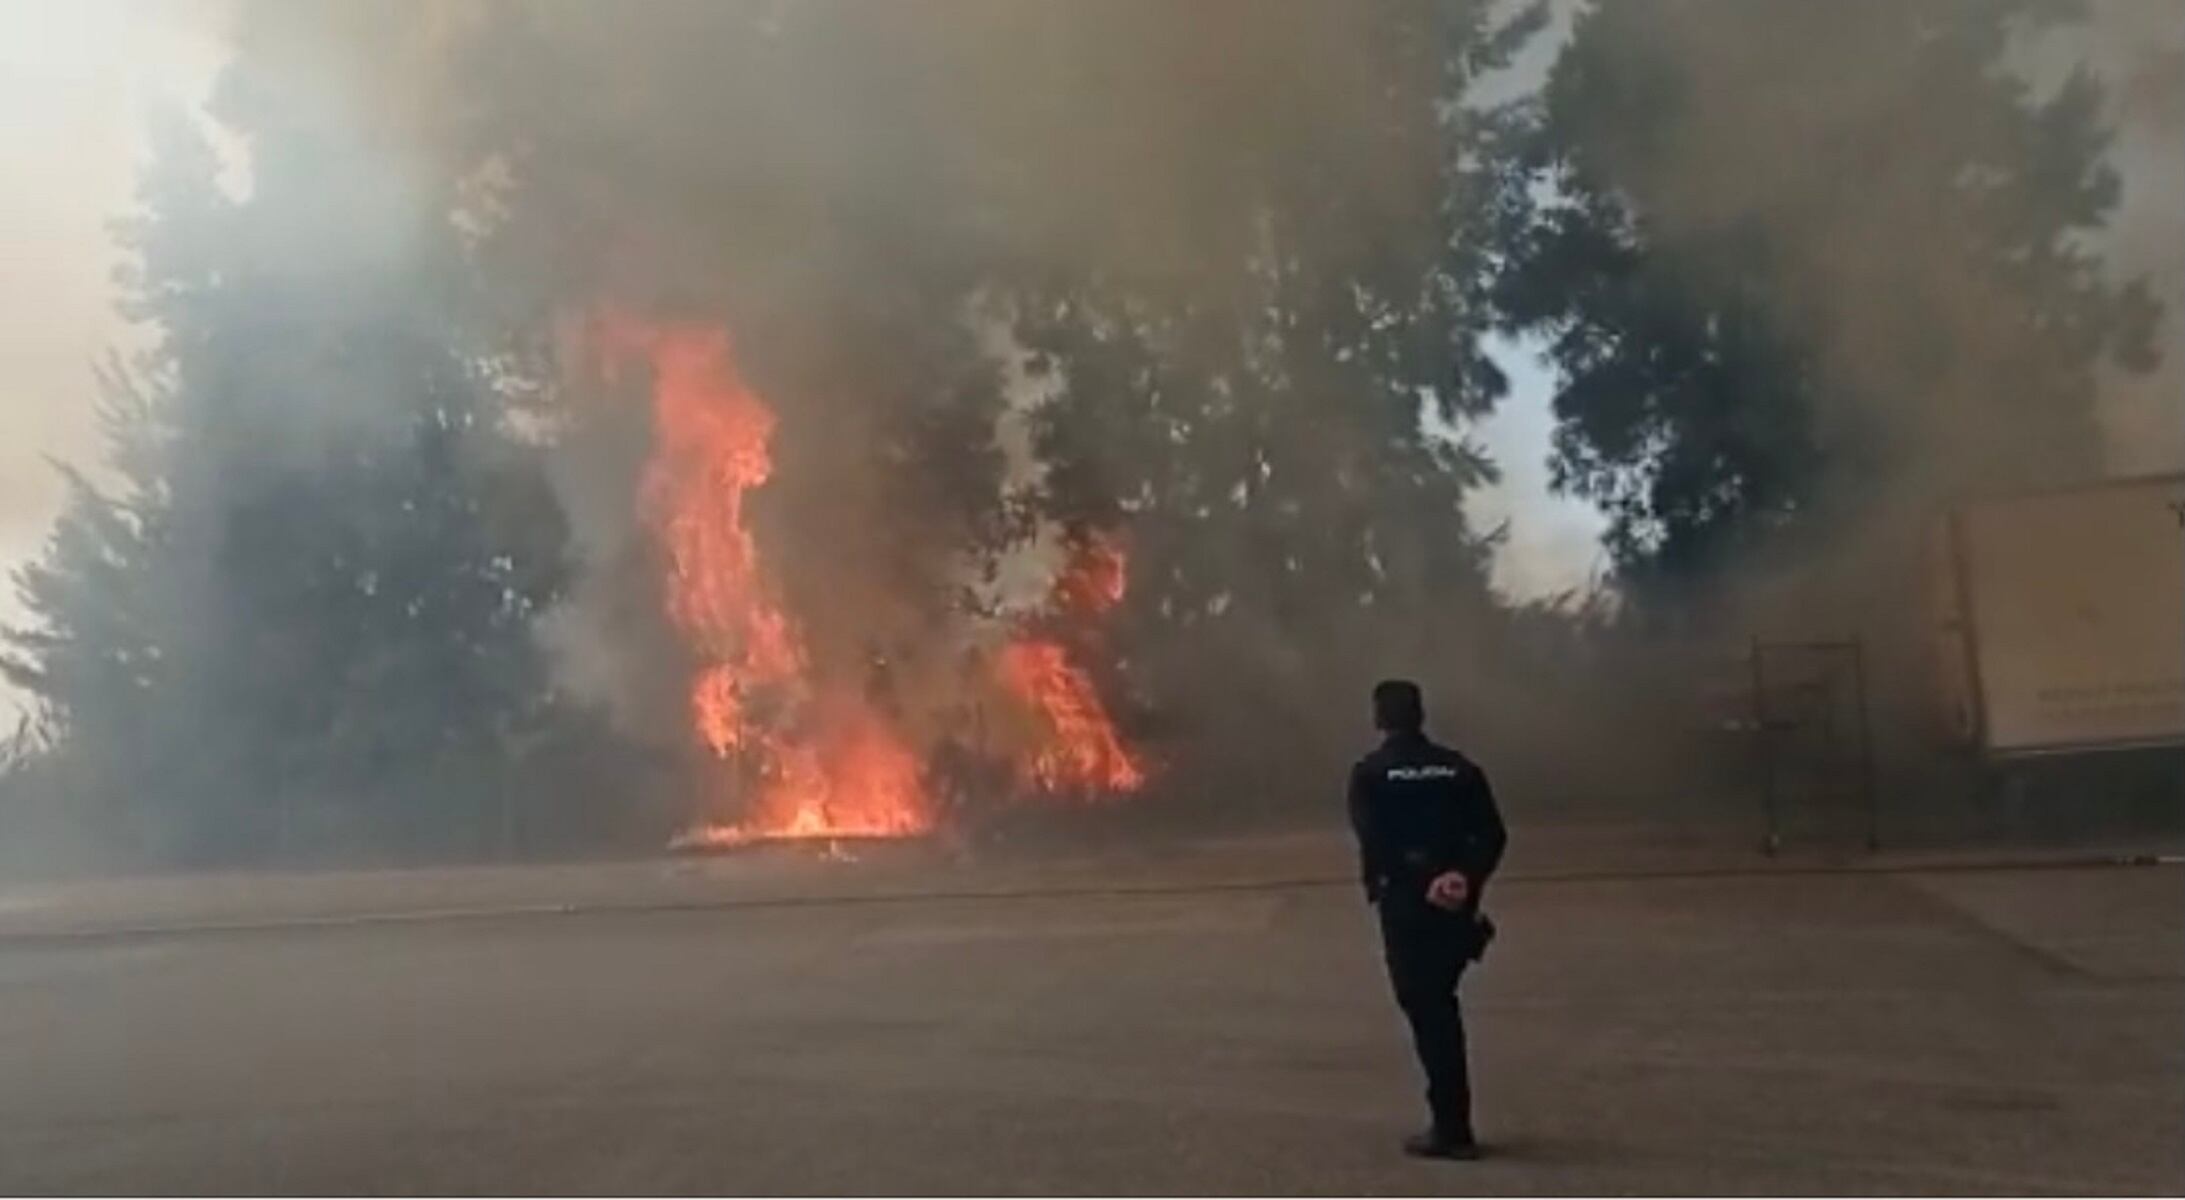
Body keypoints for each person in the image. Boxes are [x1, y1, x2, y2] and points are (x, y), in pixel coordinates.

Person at [1346, 678, 1507, 1160]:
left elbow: (1377, 842)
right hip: (1456, 907)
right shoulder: (1460, 769)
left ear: (1380, 719)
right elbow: (1492, 834)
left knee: (1427, 1009)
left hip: (1408, 908)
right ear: (1420, 715)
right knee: (1441, 1004)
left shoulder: (1371, 774)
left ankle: (1451, 1128)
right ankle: (1452, 1121)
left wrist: (1424, 879)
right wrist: (1462, 876)